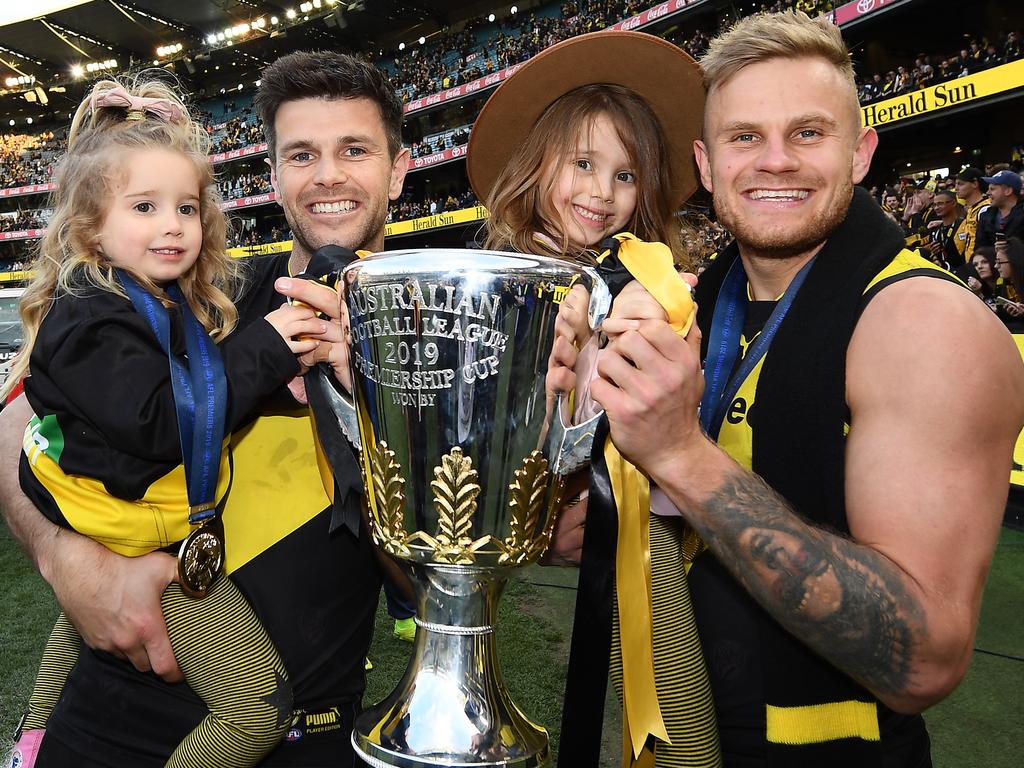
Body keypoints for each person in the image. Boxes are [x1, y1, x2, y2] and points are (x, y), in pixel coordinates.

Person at [550, 11, 1024, 766]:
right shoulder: (701, 303)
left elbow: (923, 659)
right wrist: (598, 514)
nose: (775, 161)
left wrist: (680, 453)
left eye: (808, 133)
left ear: (862, 153)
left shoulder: (927, 325)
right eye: (745, 138)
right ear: (706, 165)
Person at [0, 50, 409, 767]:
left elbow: (440, 578)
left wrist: (364, 400)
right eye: (301, 154)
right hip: (111, 723)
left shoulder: (443, 338)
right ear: (273, 174)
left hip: (312, 733)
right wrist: (64, 555)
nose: (327, 176)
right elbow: (20, 420)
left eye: (355, 150)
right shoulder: (201, 294)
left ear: (400, 170)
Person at [468, 30, 719, 768]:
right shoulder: (499, 280)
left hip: (646, 530)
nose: (600, 195)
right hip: (530, 531)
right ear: (537, 160)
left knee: (681, 741)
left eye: (626, 176)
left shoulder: (655, 283)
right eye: (582, 164)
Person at [976, 169, 1024, 248]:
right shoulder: (985, 216)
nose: (988, 193)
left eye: (992, 189)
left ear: (1008, 191)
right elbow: (979, 249)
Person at [953, 167, 990, 262]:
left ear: (975, 184)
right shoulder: (971, 209)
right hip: (970, 263)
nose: (956, 188)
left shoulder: (985, 209)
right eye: (955, 184)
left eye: (960, 184)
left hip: (981, 264)